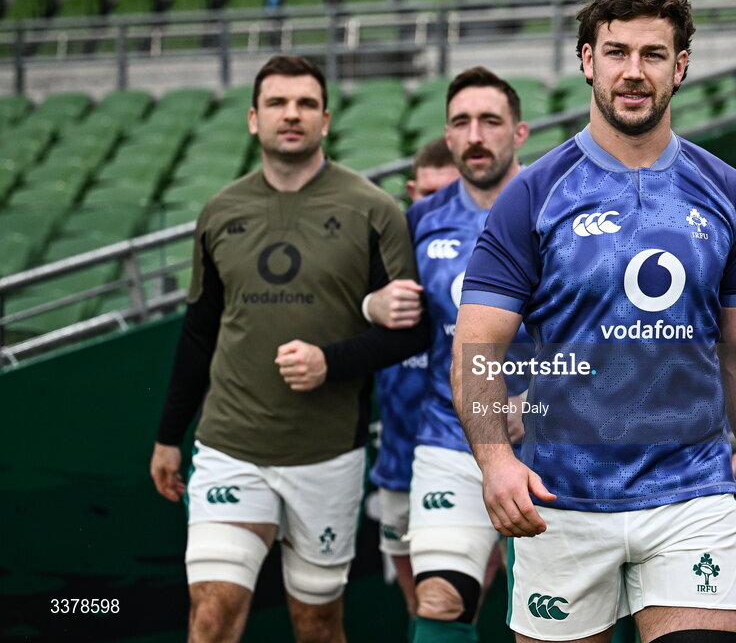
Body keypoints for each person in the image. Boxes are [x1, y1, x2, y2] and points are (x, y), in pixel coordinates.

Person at [450, 0, 736, 643]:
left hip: (691, 495)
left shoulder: (727, 193)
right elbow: (477, 351)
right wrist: (495, 461)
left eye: (654, 54)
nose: (633, 72)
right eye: (616, 53)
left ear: (682, 67)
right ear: (587, 61)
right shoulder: (532, 198)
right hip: (561, 501)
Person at [148, 54, 429, 643]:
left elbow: (411, 332)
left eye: (305, 104)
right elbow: (200, 331)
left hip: (326, 453)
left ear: (325, 119)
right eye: (277, 104)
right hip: (230, 445)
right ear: (254, 119)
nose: (291, 115)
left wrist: (331, 363)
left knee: (317, 623)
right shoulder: (220, 212)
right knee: (213, 615)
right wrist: (169, 434)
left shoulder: (373, 210)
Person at [368, 66, 532, 643]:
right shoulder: (421, 221)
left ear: (520, 132)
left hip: (554, 437)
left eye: (491, 121)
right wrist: (374, 305)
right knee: (438, 599)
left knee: (555, 618)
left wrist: (540, 399)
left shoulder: (564, 209)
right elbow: (387, 316)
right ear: (449, 132)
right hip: (450, 434)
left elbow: (606, 326)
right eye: (462, 122)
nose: (475, 135)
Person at [368, 137, 458, 630]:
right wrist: (370, 306)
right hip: (398, 469)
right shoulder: (382, 265)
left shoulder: (494, 270)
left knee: (458, 600)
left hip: (479, 466)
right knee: (423, 609)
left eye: (451, 194)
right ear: (409, 191)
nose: (437, 208)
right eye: (427, 194)